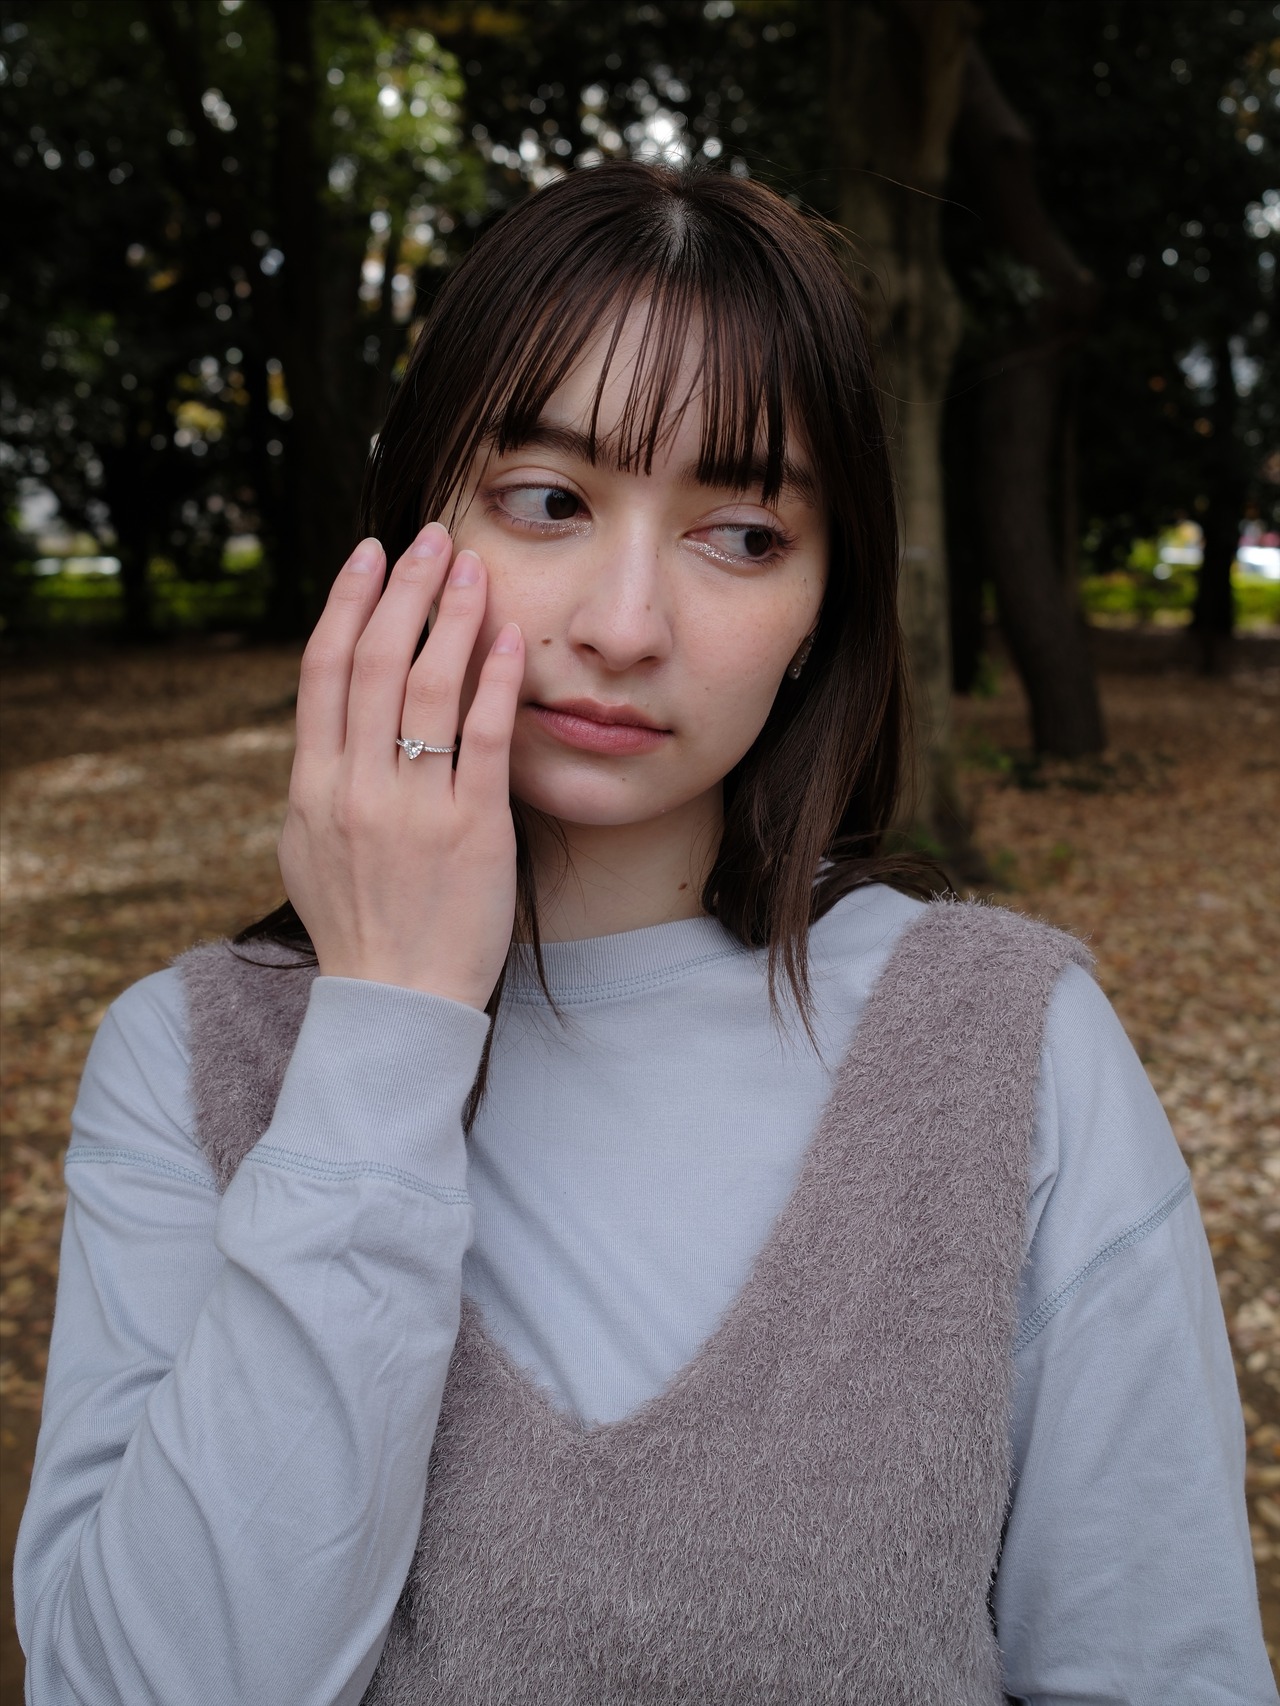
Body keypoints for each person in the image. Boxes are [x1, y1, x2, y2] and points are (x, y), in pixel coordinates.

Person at [14, 162, 1276, 1706]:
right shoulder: (186, 1056)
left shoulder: (1010, 1046)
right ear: (415, 524)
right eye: (548, 502)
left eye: (740, 533)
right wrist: (385, 1026)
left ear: (823, 607)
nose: (624, 624)